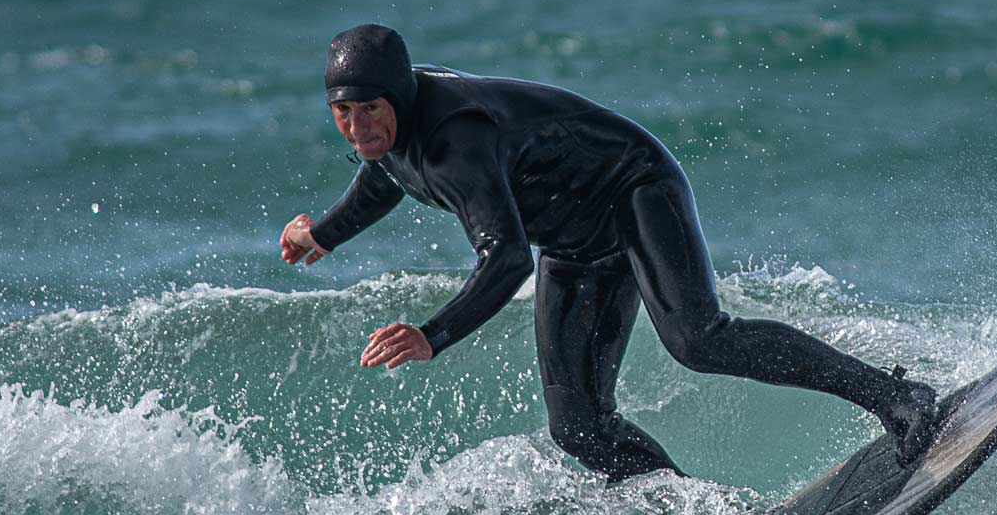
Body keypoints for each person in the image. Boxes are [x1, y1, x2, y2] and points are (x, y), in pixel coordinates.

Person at [279, 24, 940, 481]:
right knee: (579, 426)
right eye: (344, 114)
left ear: (397, 96)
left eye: (369, 109)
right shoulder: (392, 138)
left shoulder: (459, 138)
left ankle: (896, 396)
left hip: (633, 187)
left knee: (699, 340)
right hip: (574, 242)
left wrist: (433, 335)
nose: (358, 127)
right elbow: (384, 176)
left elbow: (506, 258)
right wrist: (324, 234)